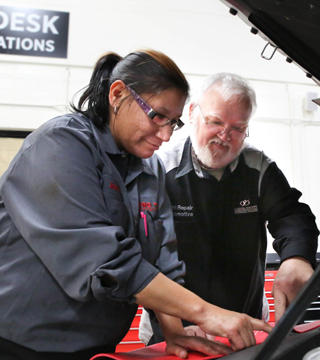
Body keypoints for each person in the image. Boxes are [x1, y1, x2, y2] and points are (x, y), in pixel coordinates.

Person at [0, 53, 271, 360]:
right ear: (117, 95)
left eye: (174, 122)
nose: (167, 134)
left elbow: (162, 259)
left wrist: (175, 332)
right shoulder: (60, 144)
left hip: (97, 347)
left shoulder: (149, 169)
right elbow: (103, 260)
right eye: (158, 116)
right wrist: (206, 313)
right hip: (19, 344)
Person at [139, 72, 319, 345]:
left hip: (244, 325)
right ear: (191, 114)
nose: (224, 136)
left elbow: (291, 214)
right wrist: (175, 325)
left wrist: (297, 258)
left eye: (238, 128)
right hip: (174, 328)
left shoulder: (258, 167)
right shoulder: (160, 168)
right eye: (215, 122)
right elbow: (146, 253)